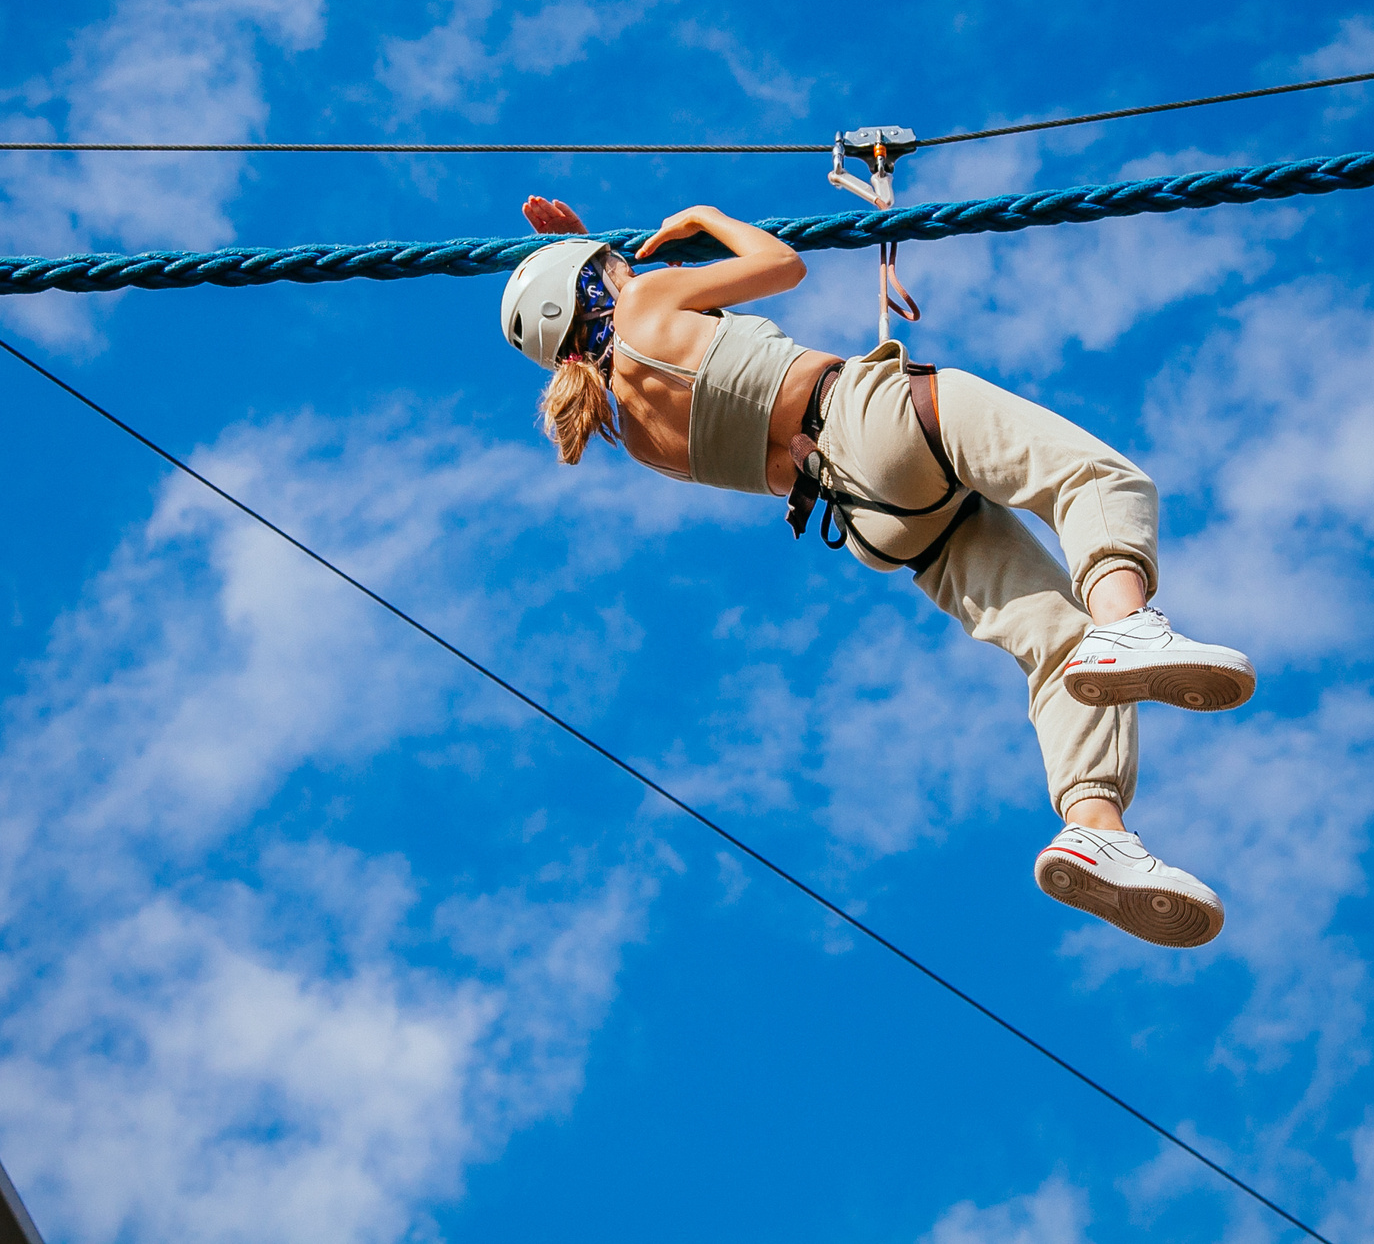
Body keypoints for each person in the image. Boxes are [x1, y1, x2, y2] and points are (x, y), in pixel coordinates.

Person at [500, 196, 1259, 949]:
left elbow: (696, 360)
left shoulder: (637, 437)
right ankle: (1127, 625)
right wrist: (708, 218)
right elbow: (779, 264)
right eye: (609, 267)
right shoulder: (649, 306)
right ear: (594, 288)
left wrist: (592, 249)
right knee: (1094, 478)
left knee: (1055, 642)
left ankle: (1094, 828)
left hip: (865, 514)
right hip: (869, 421)